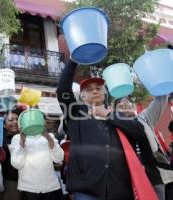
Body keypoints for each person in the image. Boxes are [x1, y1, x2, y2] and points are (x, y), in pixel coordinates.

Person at [57, 60, 146, 200]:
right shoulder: (76, 113)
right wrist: (74, 60)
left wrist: (108, 115)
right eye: (89, 89)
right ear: (82, 96)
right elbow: (62, 90)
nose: (94, 91)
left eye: (98, 88)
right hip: (87, 189)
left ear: (105, 94)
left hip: (119, 189)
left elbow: (139, 131)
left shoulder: (117, 115)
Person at [115, 96, 173, 200]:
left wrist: (159, 87)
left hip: (154, 174)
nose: (123, 105)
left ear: (133, 106)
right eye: (120, 105)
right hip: (129, 178)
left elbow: (160, 99)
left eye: (126, 103)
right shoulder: (113, 127)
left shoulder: (144, 118)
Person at [9, 120, 64, 200]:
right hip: (28, 189)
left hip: (51, 187)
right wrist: (22, 143)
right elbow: (17, 164)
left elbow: (59, 158)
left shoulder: (50, 136)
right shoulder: (17, 138)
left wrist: (48, 137)